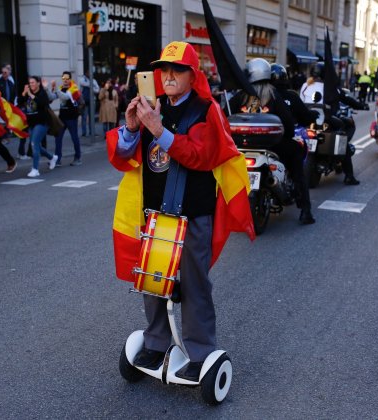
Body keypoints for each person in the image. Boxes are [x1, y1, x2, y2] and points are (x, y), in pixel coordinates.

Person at [107, 41, 254, 381]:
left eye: (178, 70)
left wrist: (158, 129)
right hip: (154, 214)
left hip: (193, 215)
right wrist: (132, 127)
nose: (169, 76)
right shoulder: (149, 107)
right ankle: (157, 341)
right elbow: (123, 157)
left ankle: (200, 351)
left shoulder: (206, 110)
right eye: (164, 70)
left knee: (193, 285)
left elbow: (201, 156)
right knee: (151, 282)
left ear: (192, 75)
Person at [230, 59, 316, 224]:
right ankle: (305, 210)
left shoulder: (240, 96)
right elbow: (288, 123)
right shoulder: (274, 95)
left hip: (241, 146)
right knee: (297, 163)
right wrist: (289, 135)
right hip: (273, 146)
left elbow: (223, 115)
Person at [299, 65, 366, 185]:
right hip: (326, 120)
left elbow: (301, 102)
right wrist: (361, 105)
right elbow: (346, 99)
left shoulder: (305, 85)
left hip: (307, 120)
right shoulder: (329, 87)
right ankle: (349, 176)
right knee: (343, 135)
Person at [18, 76, 58, 177]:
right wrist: (24, 93)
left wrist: (31, 94)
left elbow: (42, 103)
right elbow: (19, 102)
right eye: (30, 83)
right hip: (31, 123)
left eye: (33, 82)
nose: (31, 85)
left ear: (38, 83)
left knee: (34, 143)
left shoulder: (42, 92)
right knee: (37, 146)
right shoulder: (28, 93)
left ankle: (35, 169)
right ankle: (52, 157)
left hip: (42, 122)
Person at [49, 71, 82, 166]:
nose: (65, 80)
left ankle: (78, 157)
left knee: (74, 138)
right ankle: (57, 159)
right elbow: (51, 98)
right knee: (58, 138)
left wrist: (56, 90)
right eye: (63, 78)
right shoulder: (60, 88)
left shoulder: (74, 88)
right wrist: (48, 88)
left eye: (67, 79)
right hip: (62, 118)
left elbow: (64, 97)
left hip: (72, 117)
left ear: (70, 79)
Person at [78, 70, 100, 136]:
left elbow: (97, 90)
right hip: (84, 101)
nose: (89, 74)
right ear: (85, 73)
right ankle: (84, 132)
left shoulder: (94, 80)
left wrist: (91, 88)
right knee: (84, 117)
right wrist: (92, 86)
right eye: (88, 73)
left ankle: (91, 131)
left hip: (92, 101)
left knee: (92, 117)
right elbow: (83, 84)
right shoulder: (82, 79)